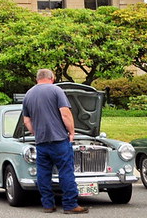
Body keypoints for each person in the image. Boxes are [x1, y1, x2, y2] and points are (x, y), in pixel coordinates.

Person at [21, 68, 88, 214]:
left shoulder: (28, 94)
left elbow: (27, 121)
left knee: (43, 173)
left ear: (37, 79)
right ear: (52, 77)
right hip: (59, 140)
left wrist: (36, 132)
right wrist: (71, 132)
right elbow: (65, 113)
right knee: (66, 171)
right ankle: (70, 205)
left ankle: (48, 205)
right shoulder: (56, 90)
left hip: (41, 142)